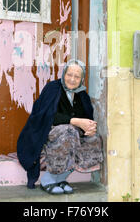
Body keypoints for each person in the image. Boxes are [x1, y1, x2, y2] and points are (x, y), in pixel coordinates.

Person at [17, 59, 103, 194]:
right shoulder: (53, 88)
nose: (72, 80)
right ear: (64, 74)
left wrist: (89, 128)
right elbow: (46, 115)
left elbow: (86, 118)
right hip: (46, 133)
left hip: (71, 135)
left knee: (94, 139)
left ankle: (60, 178)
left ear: (82, 79)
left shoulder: (82, 95)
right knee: (68, 131)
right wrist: (74, 121)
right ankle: (48, 180)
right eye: (69, 75)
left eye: (77, 76)